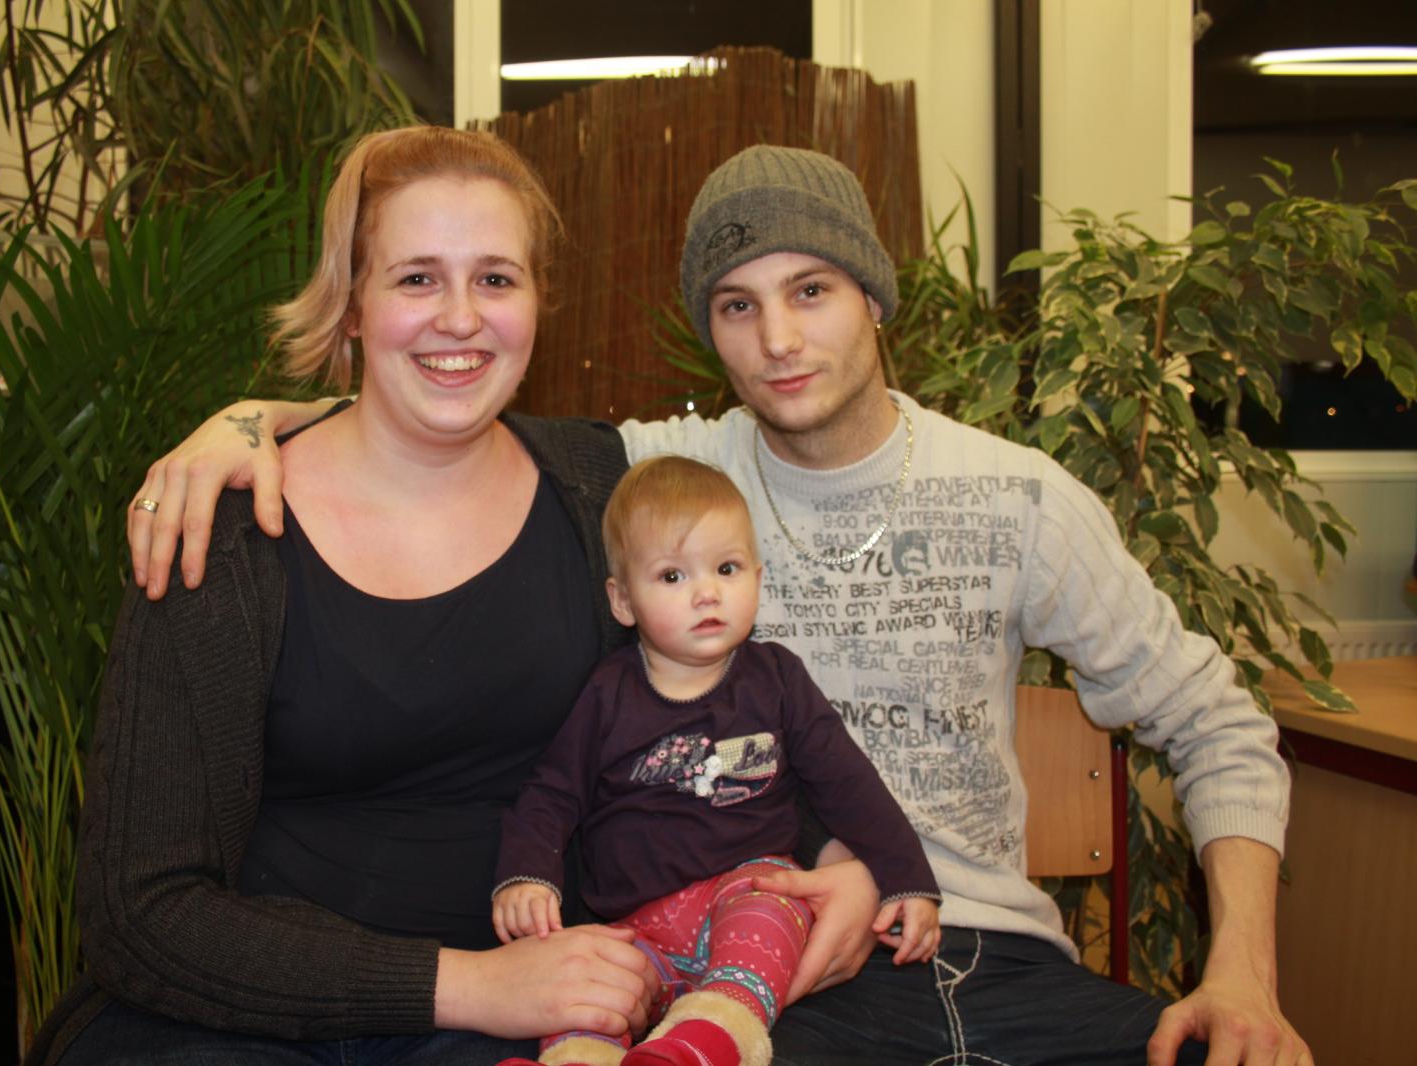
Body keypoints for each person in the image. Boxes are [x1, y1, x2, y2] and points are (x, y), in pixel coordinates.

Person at [127, 144, 1312, 1065]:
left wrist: (1243, 977)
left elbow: (1217, 722)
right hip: (770, 977)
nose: (779, 339)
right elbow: (437, 404)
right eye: (736, 305)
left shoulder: (1020, 499)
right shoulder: (650, 476)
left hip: (1004, 958)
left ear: (874, 296)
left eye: (812, 289)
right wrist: (248, 424)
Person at [28, 125, 685, 1066]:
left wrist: (838, 861)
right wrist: (466, 985)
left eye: (496, 278)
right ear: (350, 306)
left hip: (525, 1010)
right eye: (416, 278)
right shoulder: (219, 527)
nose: (461, 317)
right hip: (239, 1016)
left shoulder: (600, 491)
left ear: (538, 301)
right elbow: (139, 912)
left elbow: (719, 704)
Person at [491, 456, 940, 1066]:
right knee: (585, 978)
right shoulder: (606, 693)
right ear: (623, 601)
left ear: (758, 576)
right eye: (672, 576)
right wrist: (526, 874)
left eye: (726, 569)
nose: (707, 593)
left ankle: (706, 1041)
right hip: (636, 926)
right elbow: (552, 793)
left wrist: (906, 878)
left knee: (773, 908)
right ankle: (577, 1056)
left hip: (748, 895)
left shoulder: (777, 680)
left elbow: (849, 784)